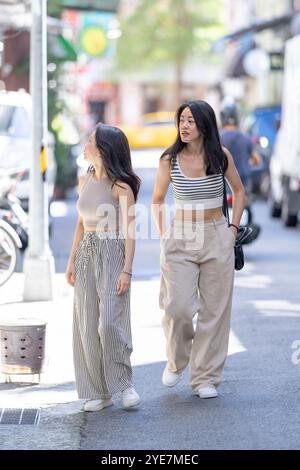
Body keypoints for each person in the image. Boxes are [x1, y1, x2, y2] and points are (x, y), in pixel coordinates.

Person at [152, 100, 245, 399]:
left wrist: (232, 231)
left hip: (216, 233)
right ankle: (177, 360)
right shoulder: (169, 159)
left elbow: (239, 192)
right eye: (181, 119)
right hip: (181, 235)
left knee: (214, 312)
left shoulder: (220, 157)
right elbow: (156, 199)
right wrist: (166, 234)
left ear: (205, 125)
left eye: (191, 120)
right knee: (177, 307)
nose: (184, 125)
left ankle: (205, 376)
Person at [66, 123, 141, 411]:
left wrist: (127, 269)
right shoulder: (86, 177)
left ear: (103, 150)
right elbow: (80, 223)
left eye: (89, 140)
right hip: (87, 252)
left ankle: (124, 385)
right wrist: (71, 260)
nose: (85, 144)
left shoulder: (120, 186)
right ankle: (99, 392)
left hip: (112, 251)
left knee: (110, 322)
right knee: (87, 323)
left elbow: (130, 230)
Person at [219, 99, 261, 191]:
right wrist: (247, 162)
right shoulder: (245, 137)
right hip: (242, 184)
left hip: (223, 184)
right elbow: (257, 160)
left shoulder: (216, 138)